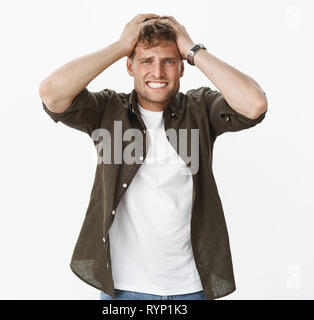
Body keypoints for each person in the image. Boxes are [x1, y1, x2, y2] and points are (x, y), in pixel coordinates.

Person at [39, 13, 268, 300]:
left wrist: (193, 48)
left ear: (182, 67)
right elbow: (52, 93)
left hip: (192, 286)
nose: (157, 72)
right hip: (124, 287)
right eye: (146, 61)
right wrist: (121, 45)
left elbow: (254, 103)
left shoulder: (200, 109)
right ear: (130, 66)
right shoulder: (107, 110)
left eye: (169, 61)